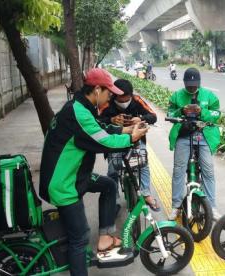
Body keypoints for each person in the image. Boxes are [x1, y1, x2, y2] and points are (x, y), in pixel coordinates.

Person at [39, 68, 149, 276]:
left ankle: (106, 237)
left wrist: (124, 130)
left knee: (108, 185)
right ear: (97, 90)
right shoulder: (78, 112)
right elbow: (102, 141)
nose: (111, 97)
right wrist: (131, 138)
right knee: (79, 239)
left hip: (71, 174)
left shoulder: (79, 106)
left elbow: (97, 128)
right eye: (109, 93)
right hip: (63, 183)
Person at [167, 68, 222, 221]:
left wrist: (202, 111)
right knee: (178, 170)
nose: (192, 87)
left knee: (208, 171)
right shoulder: (177, 95)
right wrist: (181, 111)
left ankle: (211, 206)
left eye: (194, 84)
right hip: (183, 135)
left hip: (203, 135)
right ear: (184, 82)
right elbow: (169, 114)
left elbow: (217, 114)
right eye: (189, 85)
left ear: (199, 82)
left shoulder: (209, 96)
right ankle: (176, 206)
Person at [99, 79, 160, 212]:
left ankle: (146, 193)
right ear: (115, 95)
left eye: (127, 97)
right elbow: (96, 121)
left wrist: (141, 119)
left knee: (143, 163)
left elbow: (153, 116)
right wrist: (112, 120)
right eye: (120, 98)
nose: (124, 101)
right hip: (115, 142)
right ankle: (113, 200)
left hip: (136, 140)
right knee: (112, 170)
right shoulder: (106, 104)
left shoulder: (137, 100)